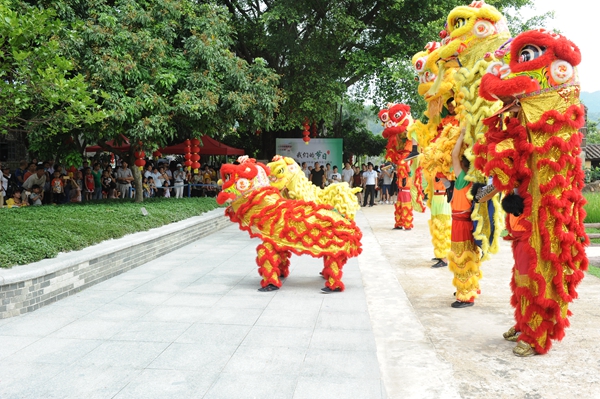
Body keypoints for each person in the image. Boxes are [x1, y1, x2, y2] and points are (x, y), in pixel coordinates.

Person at [447, 128, 480, 308]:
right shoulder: (476, 180)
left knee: (461, 257)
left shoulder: (464, 179)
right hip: (468, 223)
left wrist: (460, 136)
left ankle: (465, 296)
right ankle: (469, 287)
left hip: (461, 224)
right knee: (470, 256)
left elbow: (453, 155)